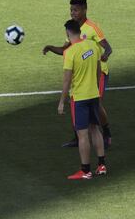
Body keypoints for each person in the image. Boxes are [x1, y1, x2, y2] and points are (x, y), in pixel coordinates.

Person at [43, 0, 112, 148]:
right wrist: (50, 47)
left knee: (96, 104)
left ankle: (106, 133)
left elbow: (108, 47)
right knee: (75, 102)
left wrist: (105, 55)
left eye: (76, 10)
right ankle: (78, 137)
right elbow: (64, 50)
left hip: (97, 72)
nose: (72, 13)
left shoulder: (92, 27)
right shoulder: (72, 29)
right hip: (80, 72)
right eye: (71, 10)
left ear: (84, 10)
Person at [58, 19, 107, 179]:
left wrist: (61, 101)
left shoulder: (70, 52)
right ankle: (101, 165)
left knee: (82, 134)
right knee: (95, 129)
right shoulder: (93, 46)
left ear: (67, 32)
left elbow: (66, 80)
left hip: (79, 98)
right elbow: (99, 71)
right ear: (80, 30)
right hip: (94, 94)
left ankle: (85, 171)